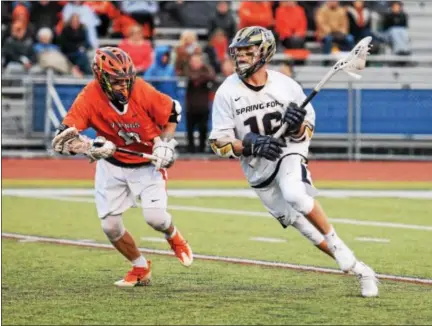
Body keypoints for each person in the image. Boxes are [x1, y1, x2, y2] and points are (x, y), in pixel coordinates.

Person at [208, 26, 378, 298]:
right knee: (306, 229)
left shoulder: (286, 85)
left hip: (288, 150)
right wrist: (251, 143)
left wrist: (296, 125)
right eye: (237, 54)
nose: (241, 59)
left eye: (248, 53)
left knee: (295, 193)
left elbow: (305, 131)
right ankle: (361, 270)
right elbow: (219, 143)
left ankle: (337, 243)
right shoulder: (227, 92)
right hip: (258, 170)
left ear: (265, 54)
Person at [51, 47, 193, 287]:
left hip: (147, 162)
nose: (124, 87)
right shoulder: (89, 97)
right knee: (110, 226)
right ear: (102, 78)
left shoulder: (142, 90)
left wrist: (165, 144)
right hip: (111, 165)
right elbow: (63, 138)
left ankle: (173, 236)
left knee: (156, 218)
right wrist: (88, 148)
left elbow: (172, 114)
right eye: (117, 82)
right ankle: (139, 267)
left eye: (127, 81)